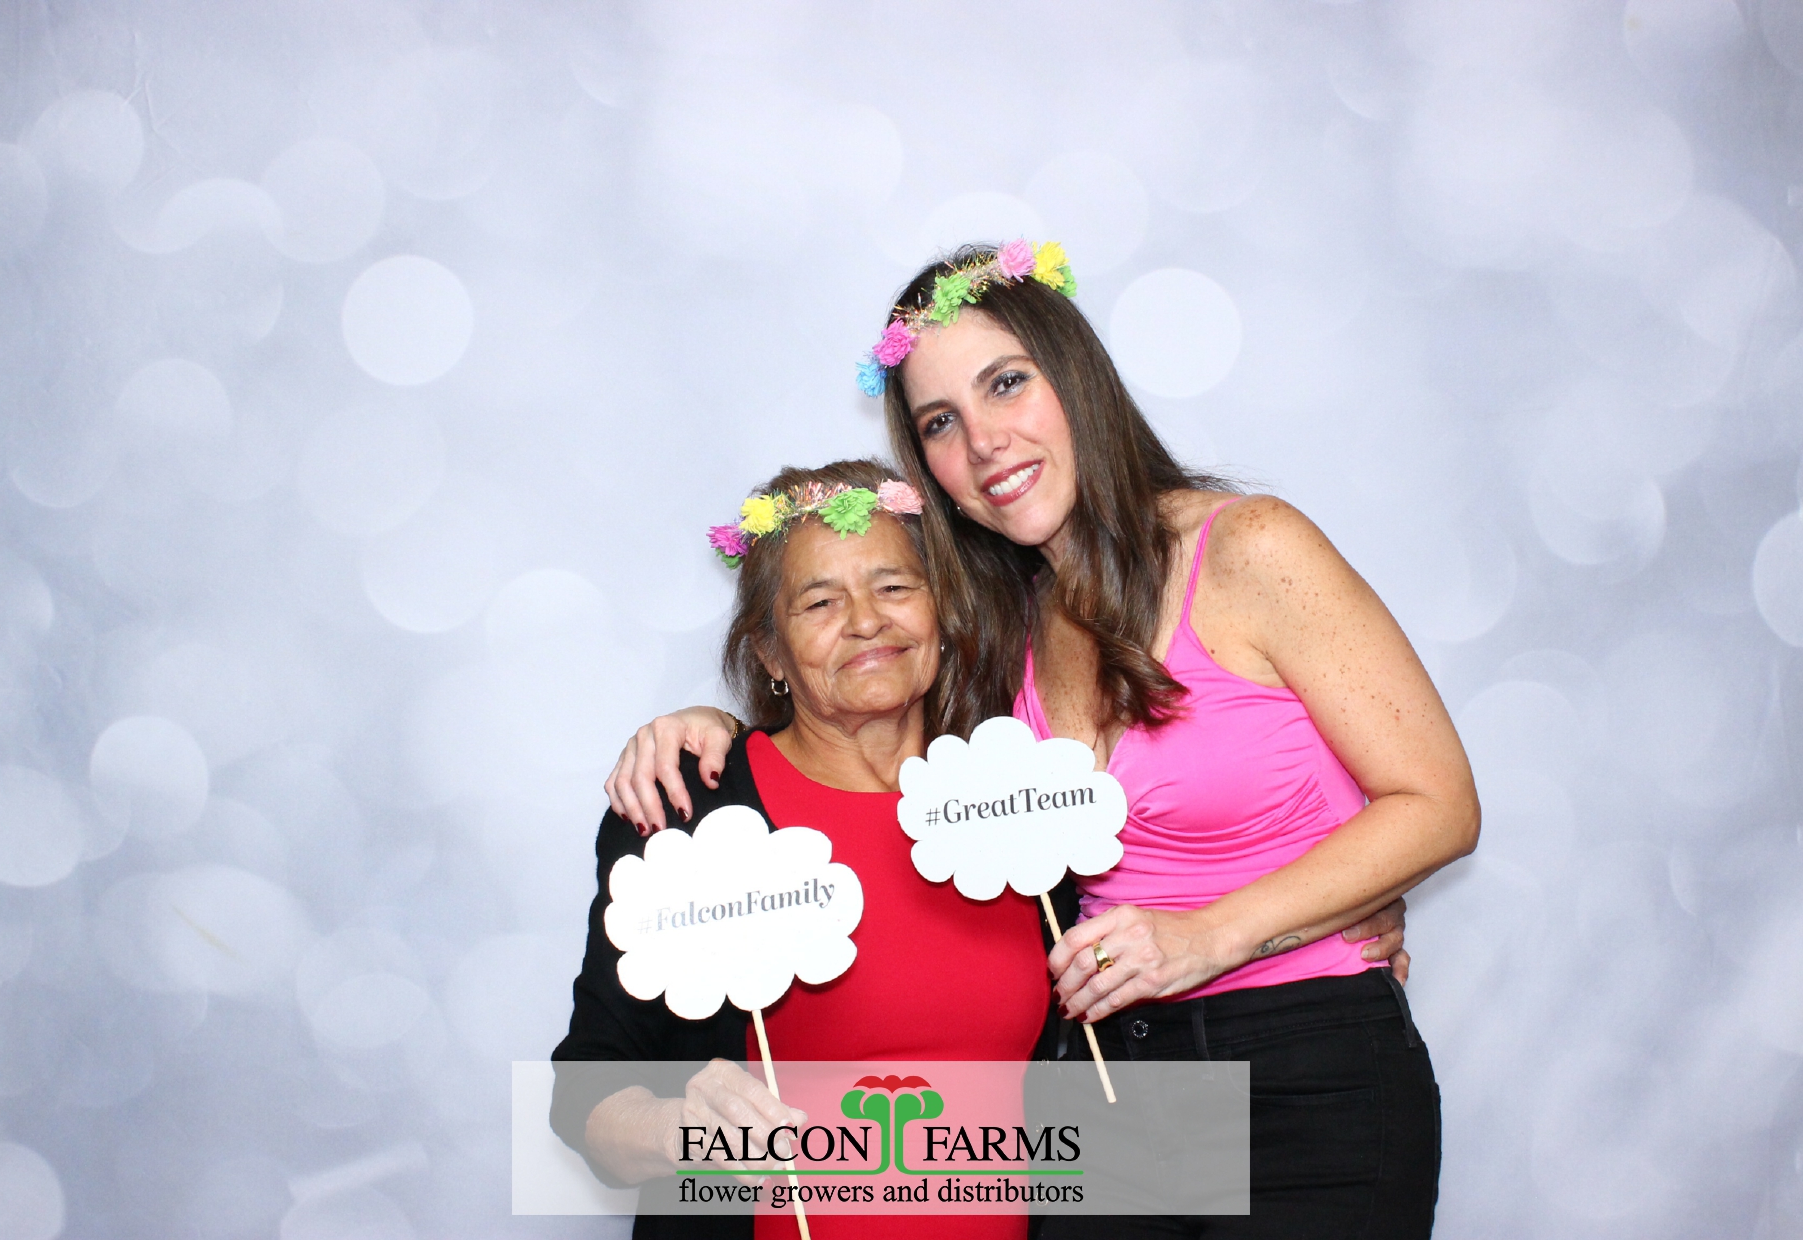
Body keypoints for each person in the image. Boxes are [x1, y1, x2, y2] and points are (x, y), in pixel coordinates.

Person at [604, 242, 1475, 1238]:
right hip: (1102, 1085)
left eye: (1006, 383)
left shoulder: (1249, 547)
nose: (984, 441)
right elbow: (858, 726)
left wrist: (1226, 931)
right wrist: (716, 731)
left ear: (1074, 375)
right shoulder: (998, 627)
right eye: (940, 422)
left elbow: (1441, 806)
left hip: (1304, 1072)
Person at [554, 459, 1053, 1240]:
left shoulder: (1018, 796)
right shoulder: (689, 811)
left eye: (894, 587)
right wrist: (679, 1129)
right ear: (770, 653)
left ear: (942, 610)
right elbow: (587, 1093)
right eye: (820, 602)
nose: (866, 622)